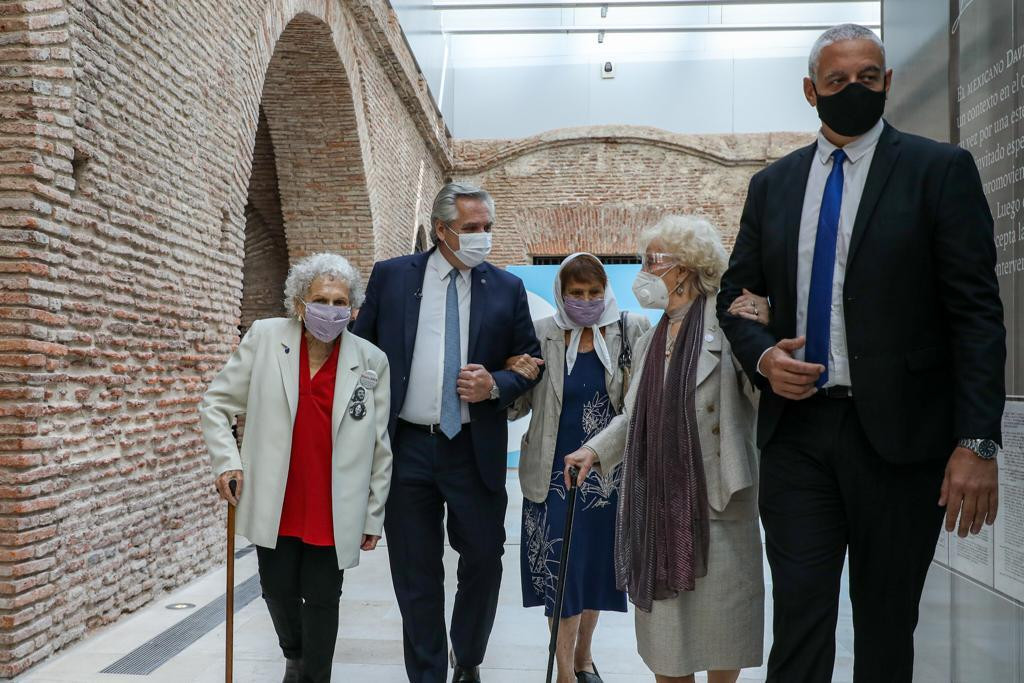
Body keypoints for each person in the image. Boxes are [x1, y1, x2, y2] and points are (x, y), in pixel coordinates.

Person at [717, 24, 1006, 683]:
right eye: (839, 80)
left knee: (884, 623)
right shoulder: (774, 186)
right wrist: (763, 357)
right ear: (810, 90)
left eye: (868, 78)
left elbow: (977, 315)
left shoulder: (939, 171)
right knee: (800, 614)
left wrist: (978, 441)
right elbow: (736, 295)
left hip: (903, 441)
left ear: (888, 83)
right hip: (797, 435)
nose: (855, 89)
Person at [352, 183, 542, 683]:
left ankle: (469, 658)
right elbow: (361, 351)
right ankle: (429, 673)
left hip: (473, 447)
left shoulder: (506, 288)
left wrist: (495, 384)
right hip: (408, 445)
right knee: (416, 574)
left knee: (484, 559)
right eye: (472, 229)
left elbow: (529, 361)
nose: (483, 238)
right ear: (441, 231)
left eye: (487, 228)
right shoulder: (392, 278)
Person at [564, 216, 766, 683]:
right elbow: (635, 417)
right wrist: (593, 450)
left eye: (652, 260)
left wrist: (772, 327)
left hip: (717, 500)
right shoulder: (655, 335)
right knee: (667, 639)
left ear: (686, 268)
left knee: (722, 629)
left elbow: (763, 393)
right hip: (656, 506)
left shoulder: (731, 325)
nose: (643, 272)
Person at [199, 253, 393, 683]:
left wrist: (373, 512)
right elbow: (216, 403)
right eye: (320, 299)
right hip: (277, 494)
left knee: (324, 598)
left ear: (353, 309)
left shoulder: (371, 359)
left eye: (340, 301)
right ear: (300, 304)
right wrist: (227, 461)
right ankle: (295, 653)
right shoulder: (266, 338)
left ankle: (314, 675)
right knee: (277, 589)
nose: (331, 309)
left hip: (334, 500)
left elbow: (380, 446)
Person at [504, 253, 651, 683]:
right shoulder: (542, 334)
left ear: (606, 291)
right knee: (560, 576)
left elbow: (637, 405)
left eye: (594, 292)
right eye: (576, 293)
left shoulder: (631, 329)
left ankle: (584, 658)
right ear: (561, 295)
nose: (585, 301)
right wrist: (512, 374)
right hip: (551, 475)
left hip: (607, 476)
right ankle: (565, 673)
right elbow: (516, 408)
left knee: (592, 574)